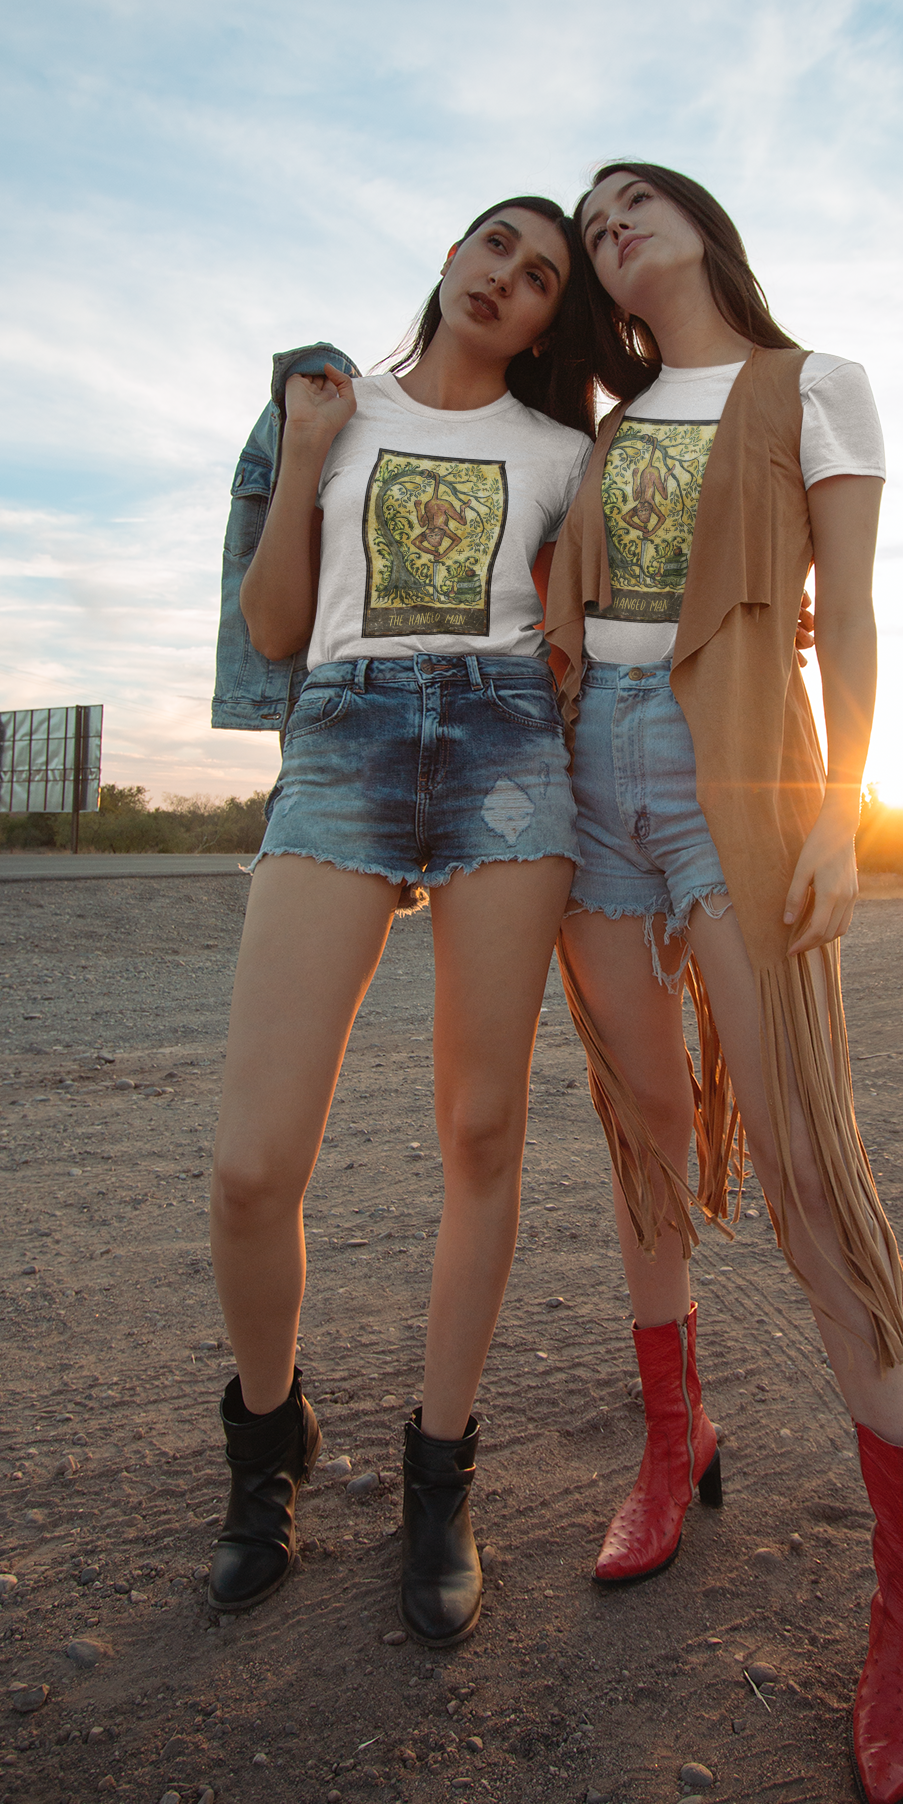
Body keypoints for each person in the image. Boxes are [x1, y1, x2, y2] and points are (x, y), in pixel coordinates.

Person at [543, 163, 903, 1804]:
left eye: (634, 198)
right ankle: (673, 1437)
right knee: (645, 1128)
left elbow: (845, 608)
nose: (607, 223)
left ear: (704, 227)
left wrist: (846, 811)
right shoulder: (607, 422)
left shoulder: (811, 385)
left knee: (796, 1157)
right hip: (590, 768)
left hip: (747, 766)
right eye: (589, 221)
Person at [206, 195, 596, 1652]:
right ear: (448, 257)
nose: (512, 277)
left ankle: (441, 1476)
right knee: (254, 1164)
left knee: (482, 1131)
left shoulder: (568, 456)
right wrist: (308, 456)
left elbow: (605, 621)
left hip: (505, 752)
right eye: (497, 245)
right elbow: (273, 629)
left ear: (556, 321)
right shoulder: (329, 406)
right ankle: (267, 1442)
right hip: (348, 742)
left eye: (543, 276)